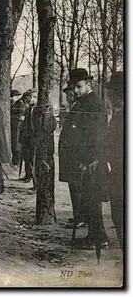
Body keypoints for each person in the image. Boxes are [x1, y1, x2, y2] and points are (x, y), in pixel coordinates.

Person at [70, 68, 109, 250]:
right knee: (88, 198)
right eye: (74, 87)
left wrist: (93, 159)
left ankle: (99, 238)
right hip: (83, 160)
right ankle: (95, 236)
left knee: (92, 199)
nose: (76, 91)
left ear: (88, 84)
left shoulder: (95, 104)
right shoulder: (83, 102)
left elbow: (99, 135)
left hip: (92, 161)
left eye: (79, 86)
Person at [59, 84, 85, 229]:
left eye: (68, 95)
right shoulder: (74, 108)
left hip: (74, 156)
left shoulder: (78, 108)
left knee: (76, 187)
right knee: (74, 187)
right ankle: (78, 215)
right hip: (70, 156)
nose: (67, 98)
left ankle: (80, 217)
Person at [102, 71, 124, 250]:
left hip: (120, 177)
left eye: (111, 93)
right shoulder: (119, 115)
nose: (108, 97)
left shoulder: (121, 117)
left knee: (120, 216)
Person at [19, 89, 38, 183]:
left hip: (33, 138)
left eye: (34, 97)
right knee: (26, 157)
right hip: (26, 137)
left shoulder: (38, 109)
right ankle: (28, 175)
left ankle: (34, 180)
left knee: (33, 159)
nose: (31, 99)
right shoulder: (28, 108)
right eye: (30, 97)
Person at [10, 89, 24, 167]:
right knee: (13, 143)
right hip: (12, 126)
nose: (12, 98)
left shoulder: (20, 104)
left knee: (17, 145)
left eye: (14, 96)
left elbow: (21, 115)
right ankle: (14, 161)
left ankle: (17, 162)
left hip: (18, 126)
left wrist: (11, 117)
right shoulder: (11, 103)